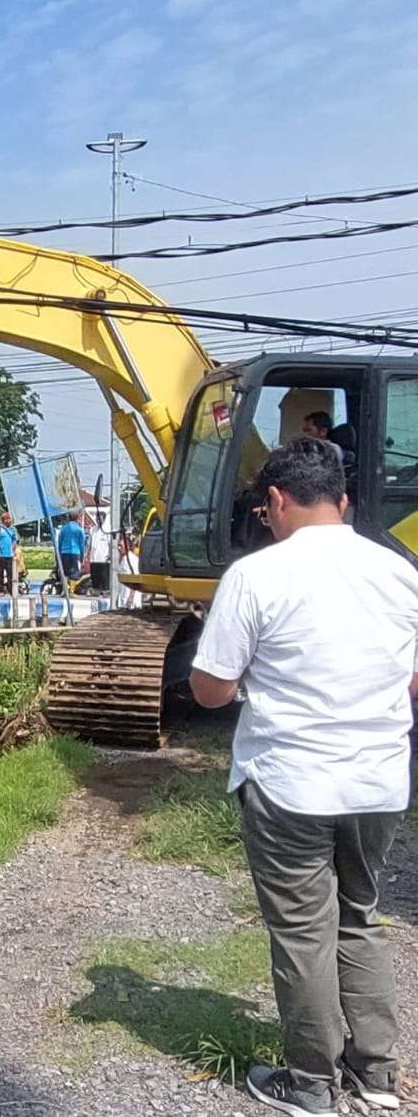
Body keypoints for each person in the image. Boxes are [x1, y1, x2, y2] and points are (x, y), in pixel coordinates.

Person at [191, 438, 418, 1117]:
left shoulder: (256, 577)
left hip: (289, 781)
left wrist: (235, 681)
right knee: (358, 918)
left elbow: (209, 689)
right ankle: (376, 1075)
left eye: (266, 510)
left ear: (277, 502)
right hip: (377, 783)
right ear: (342, 501)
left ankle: (311, 1084)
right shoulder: (399, 572)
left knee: (300, 932)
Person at [0, 512, 19, 594]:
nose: (9, 521)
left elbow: (15, 540)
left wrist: (14, 550)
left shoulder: (13, 529)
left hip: (10, 555)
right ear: (3, 520)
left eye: (10, 519)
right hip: (1, 555)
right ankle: (0, 590)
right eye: (7, 519)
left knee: (10, 574)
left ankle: (11, 590)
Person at [55, 512, 86, 581]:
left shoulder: (63, 529)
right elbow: (82, 545)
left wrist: (58, 556)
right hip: (75, 553)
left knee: (64, 574)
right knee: (74, 575)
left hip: (64, 553)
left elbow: (60, 543)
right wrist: (82, 557)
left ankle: (65, 589)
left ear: (68, 518)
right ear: (77, 518)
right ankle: (72, 589)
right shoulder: (79, 529)